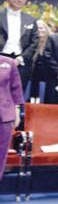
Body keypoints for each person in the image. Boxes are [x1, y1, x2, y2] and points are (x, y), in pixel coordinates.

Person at [0, 0, 38, 96]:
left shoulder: (31, 20)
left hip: (21, 63)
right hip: (1, 58)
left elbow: (34, 42)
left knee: (16, 96)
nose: (20, 0)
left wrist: (21, 58)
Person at [0, 53, 23, 182]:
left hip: (4, 114)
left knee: (1, 154)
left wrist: (17, 110)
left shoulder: (9, 62)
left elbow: (16, 89)